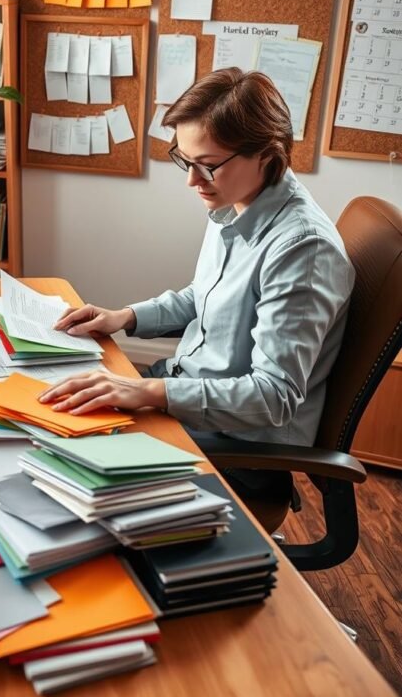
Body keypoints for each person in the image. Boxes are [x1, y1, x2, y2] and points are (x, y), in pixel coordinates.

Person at [39, 67, 355, 499]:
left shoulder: (302, 250)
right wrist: (125, 317)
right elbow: (203, 297)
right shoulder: (238, 200)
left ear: (267, 152)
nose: (192, 180)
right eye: (185, 161)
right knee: (54, 412)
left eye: (207, 166)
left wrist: (149, 391)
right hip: (184, 396)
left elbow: (273, 397)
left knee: (61, 469)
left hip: (236, 449)